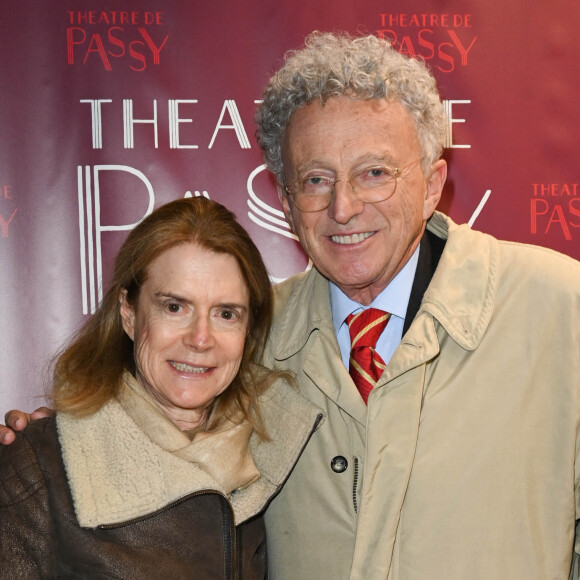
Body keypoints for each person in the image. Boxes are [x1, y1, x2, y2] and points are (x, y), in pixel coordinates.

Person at [3, 31, 580, 579]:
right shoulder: (248, 336)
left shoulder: (558, 308)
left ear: (432, 184)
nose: (344, 207)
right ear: (283, 199)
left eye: (374, 174)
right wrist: (60, 448)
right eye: (315, 180)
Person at [0, 197, 321, 578]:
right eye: (174, 307)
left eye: (225, 313)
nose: (201, 339)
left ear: (247, 331)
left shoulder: (276, 453)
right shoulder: (40, 465)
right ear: (129, 313)